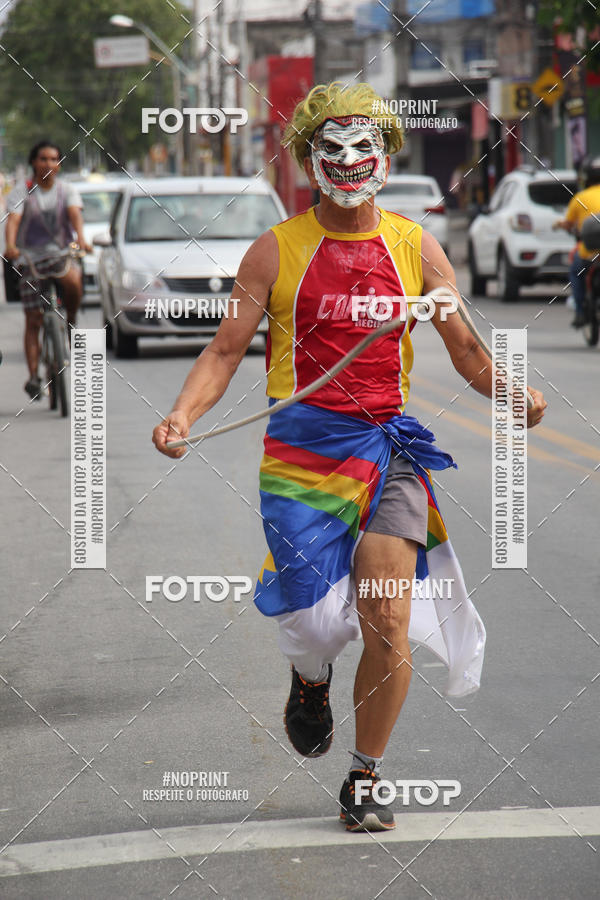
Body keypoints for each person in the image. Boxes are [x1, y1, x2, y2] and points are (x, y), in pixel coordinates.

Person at [153, 82, 547, 832]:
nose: (347, 161)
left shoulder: (415, 246)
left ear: (387, 154)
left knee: (386, 619)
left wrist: (515, 392)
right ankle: (310, 679)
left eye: (363, 147)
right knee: (312, 626)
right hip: (300, 457)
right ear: (308, 160)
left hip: (388, 448)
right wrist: (180, 415)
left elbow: (467, 356)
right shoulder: (273, 250)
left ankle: (365, 776)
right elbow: (225, 349)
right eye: (329, 150)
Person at [4, 141, 92, 400]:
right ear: (34, 162)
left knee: (73, 280)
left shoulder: (67, 191)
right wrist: (10, 245)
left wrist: (82, 238)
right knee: (33, 320)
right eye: (43, 159)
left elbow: (75, 216)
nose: (48, 164)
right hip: (29, 259)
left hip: (60, 255)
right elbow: (14, 220)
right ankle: (34, 376)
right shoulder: (22, 191)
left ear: (59, 164)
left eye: (54, 159)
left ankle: (70, 322)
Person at [554, 156, 600, 328]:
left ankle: (580, 312)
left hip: (589, 254)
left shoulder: (580, 197)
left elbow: (568, 224)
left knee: (575, 272)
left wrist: (561, 226)